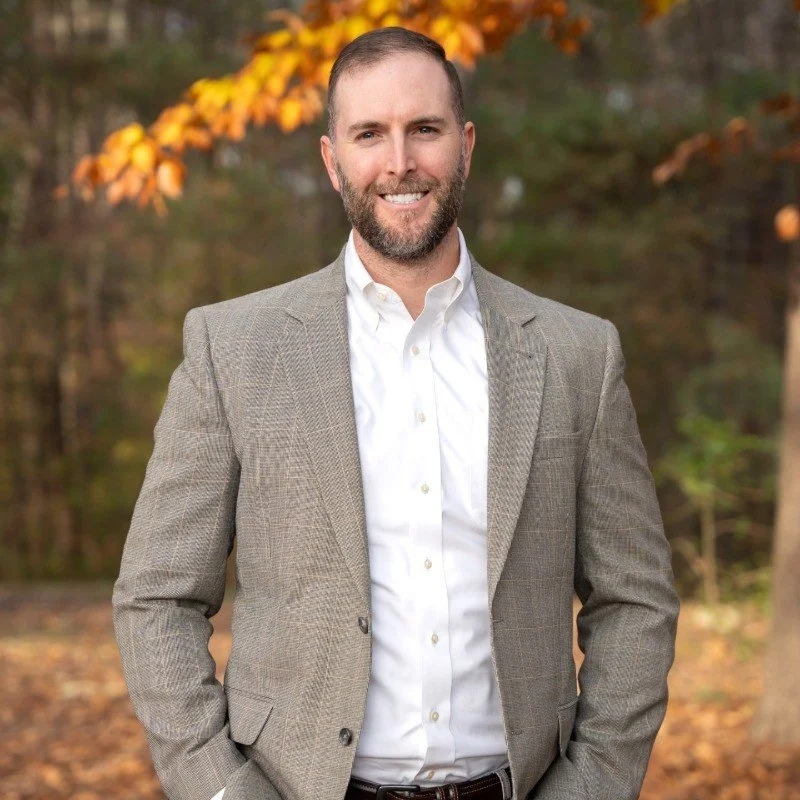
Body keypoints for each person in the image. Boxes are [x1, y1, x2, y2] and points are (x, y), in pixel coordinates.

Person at [112, 26, 680, 800]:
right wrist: (219, 788)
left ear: (467, 144)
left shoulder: (579, 355)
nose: (400, 162)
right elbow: (157, 597)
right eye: (369, 134)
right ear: (331, 158)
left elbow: (636, 600)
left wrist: (595, 784)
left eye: (425, 129)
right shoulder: (233, 350)